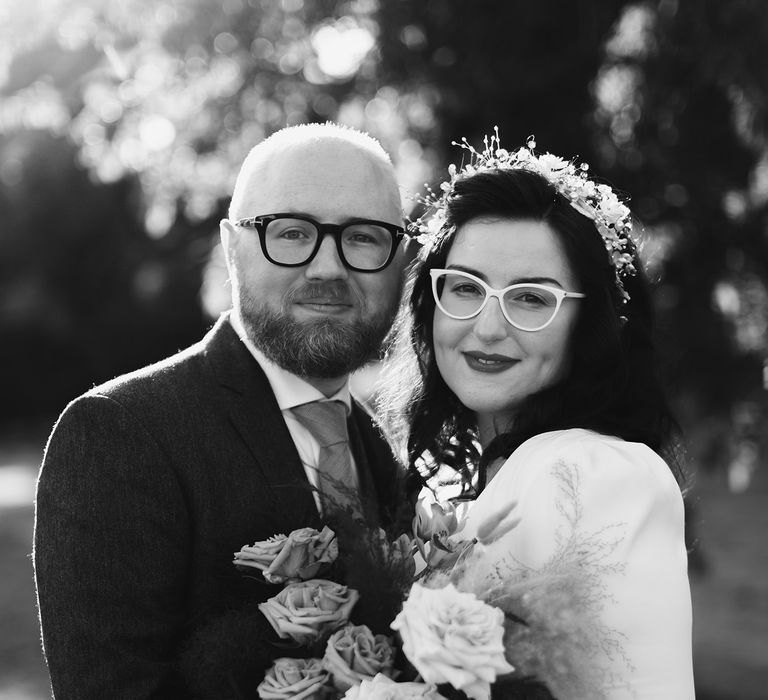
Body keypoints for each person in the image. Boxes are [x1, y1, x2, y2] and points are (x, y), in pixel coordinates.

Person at [34, 122, 409, 699]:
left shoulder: (380, 447)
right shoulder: (121, 432)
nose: (329, 268)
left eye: (363, 237)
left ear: (399, 258)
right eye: (291, 232)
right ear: (232, 246)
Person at [377, 133, 694, 698]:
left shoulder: (595, 472)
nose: (488, 327)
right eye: (465, 288)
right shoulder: (442, 483)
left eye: (531, 297)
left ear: (591, 323)